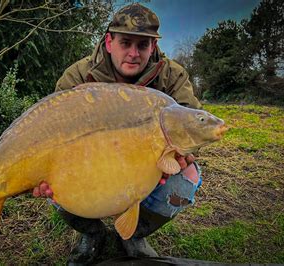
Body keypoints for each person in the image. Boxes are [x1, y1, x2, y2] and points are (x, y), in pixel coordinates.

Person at [32, 3, 203, 264]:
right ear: (109, 42)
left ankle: (133, 235)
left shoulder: (172, 76)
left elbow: (193, 125)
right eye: (126, 43)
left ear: (153, 47)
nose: (134, 53)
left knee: (188, 176)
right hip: (91, 165)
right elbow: (51, 130)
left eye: (142, 45)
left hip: (147, 169)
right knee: (52, 178)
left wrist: (181, 157)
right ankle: (91, 233)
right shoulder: (79, 75)